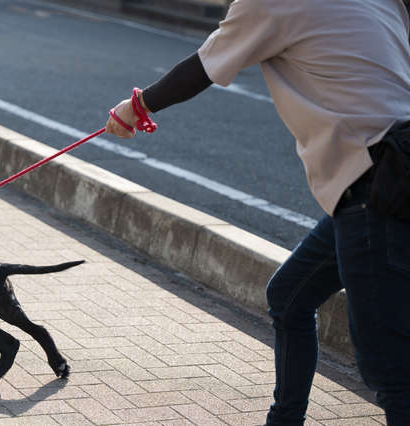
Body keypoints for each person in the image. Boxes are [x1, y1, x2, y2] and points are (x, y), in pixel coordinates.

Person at [106, 0, 410, 424]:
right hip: (378, 178)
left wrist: (136, 108)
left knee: (395, 378)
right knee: (289, 296)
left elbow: (205, 65)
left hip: (374, 190)